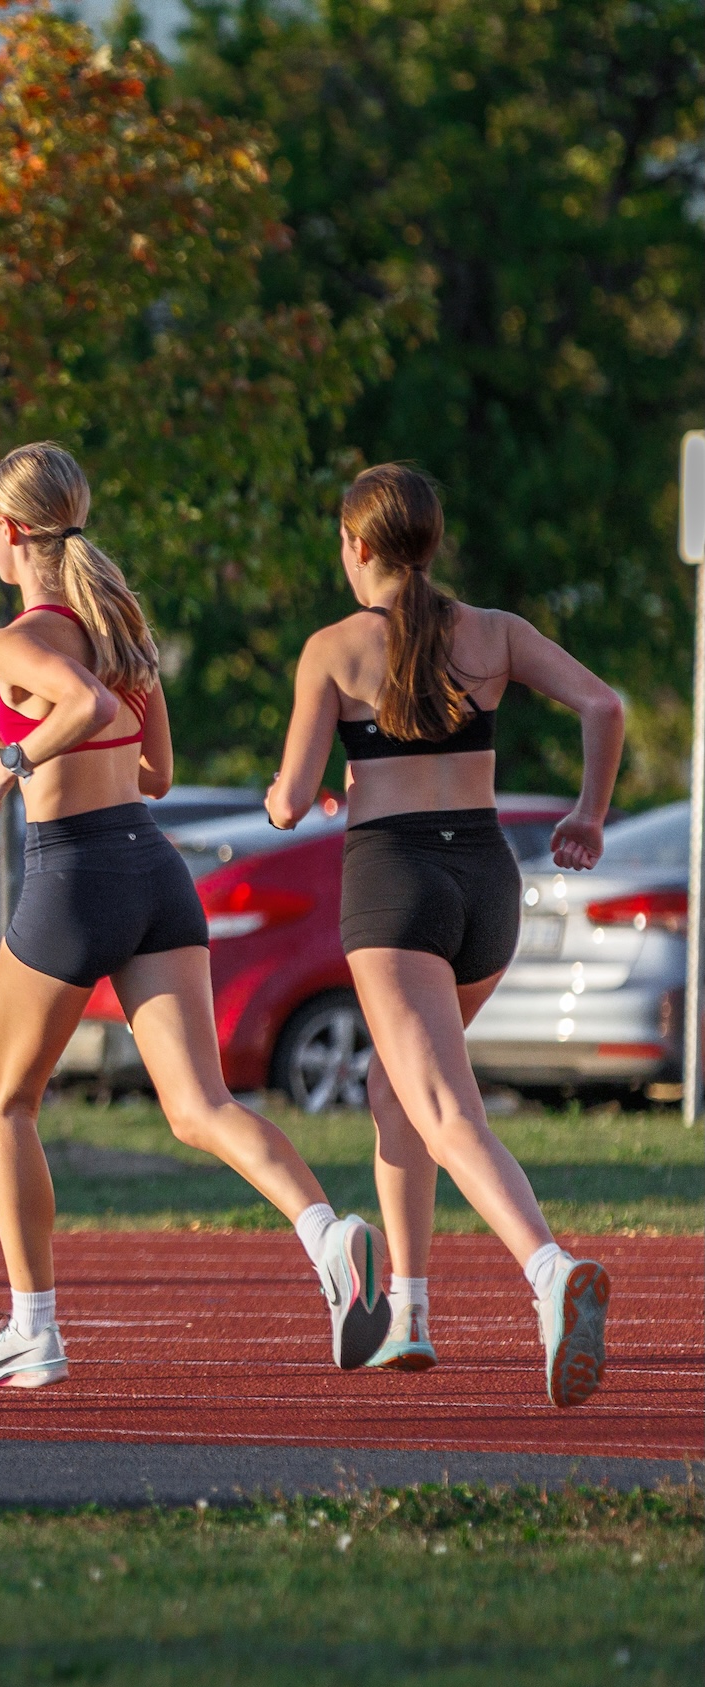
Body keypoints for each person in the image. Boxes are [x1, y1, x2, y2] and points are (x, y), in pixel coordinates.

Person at [0, 442, 391, 1393]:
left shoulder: (12, 639)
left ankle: (32, 1330)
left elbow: (82, 703)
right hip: (153, 871)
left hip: (73, 874)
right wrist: (21, 725)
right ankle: (327, 1235)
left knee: (5, 1103)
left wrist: (7, 764)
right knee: (200, 1107)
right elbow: (153, 773)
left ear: (10, 530)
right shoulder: (120, 622)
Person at [265, 463, 624, 1405]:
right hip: (485, 884)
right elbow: (604, 704)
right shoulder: (493, 632)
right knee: (395, 1087)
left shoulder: (332, 648)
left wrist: (283, 798)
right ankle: (409, 1317)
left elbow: (290, 800)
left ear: (358, 546)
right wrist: (587, 816)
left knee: (441, 1107)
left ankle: (548, 1271)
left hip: (394, 884)